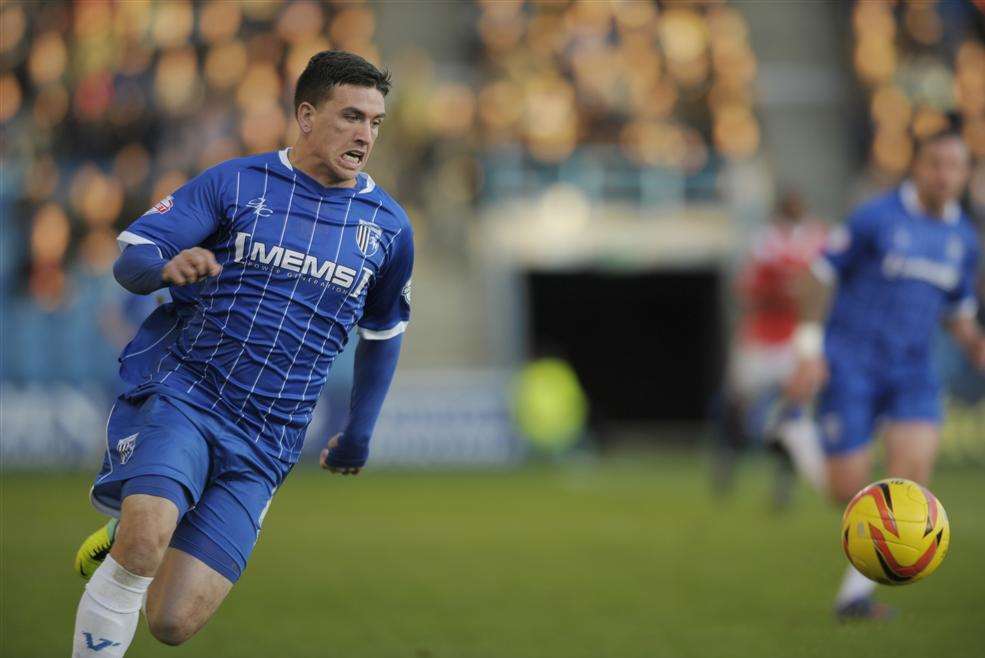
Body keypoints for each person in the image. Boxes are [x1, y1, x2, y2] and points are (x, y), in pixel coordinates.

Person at [71, 51, 413, 657]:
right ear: (307, 116)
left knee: (172, 622)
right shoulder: (236, 183)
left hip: (268, 438)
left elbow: (383, 330)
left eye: (376, 122)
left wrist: (360, 432)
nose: (365, 134)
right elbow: (133, 256)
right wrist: (166, 266)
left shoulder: (388, 228)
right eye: (351, 116)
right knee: (146, 547)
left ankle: (132, 525)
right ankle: (143, 525)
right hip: (187, 392)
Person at [785, 129, 985, 620]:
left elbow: (956, 310)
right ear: (916, 166)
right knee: (846, 491)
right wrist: (810, 350)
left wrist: (975, 343)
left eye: (953, 166)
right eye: (934, 163)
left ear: (966, 174)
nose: (943, 175)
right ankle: (792, 431)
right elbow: (817, 277)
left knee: (911, 482)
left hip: (913, 371)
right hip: (852, 364)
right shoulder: (876, 218)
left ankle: (854, 597)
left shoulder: (964, 240)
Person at [714, 189, 828, 505]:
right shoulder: (763, 240)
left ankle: (783, 485)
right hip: (761, 335)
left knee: (792, 413)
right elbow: (744, 288)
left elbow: (826, 286)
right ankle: (726, 463)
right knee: (736, 404)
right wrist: (780, 292)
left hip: (795, 340)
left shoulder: (817, 238)